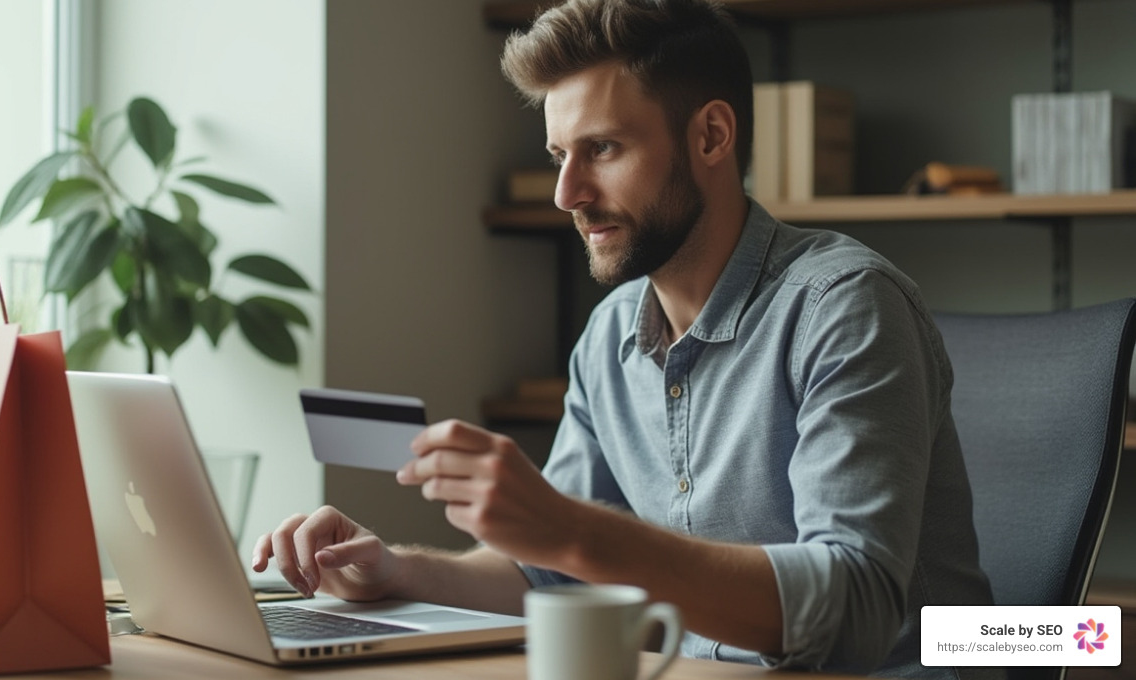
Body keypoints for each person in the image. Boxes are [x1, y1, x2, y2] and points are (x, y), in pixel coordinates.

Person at [254, 1, 998, 677]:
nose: (566, 194)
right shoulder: (611, 334)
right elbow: (552, 572)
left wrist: (573, 531)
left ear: (711, 135)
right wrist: (398, 570)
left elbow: (854, 616)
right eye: (558, 156)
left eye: (602, 149)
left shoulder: (845, 306)